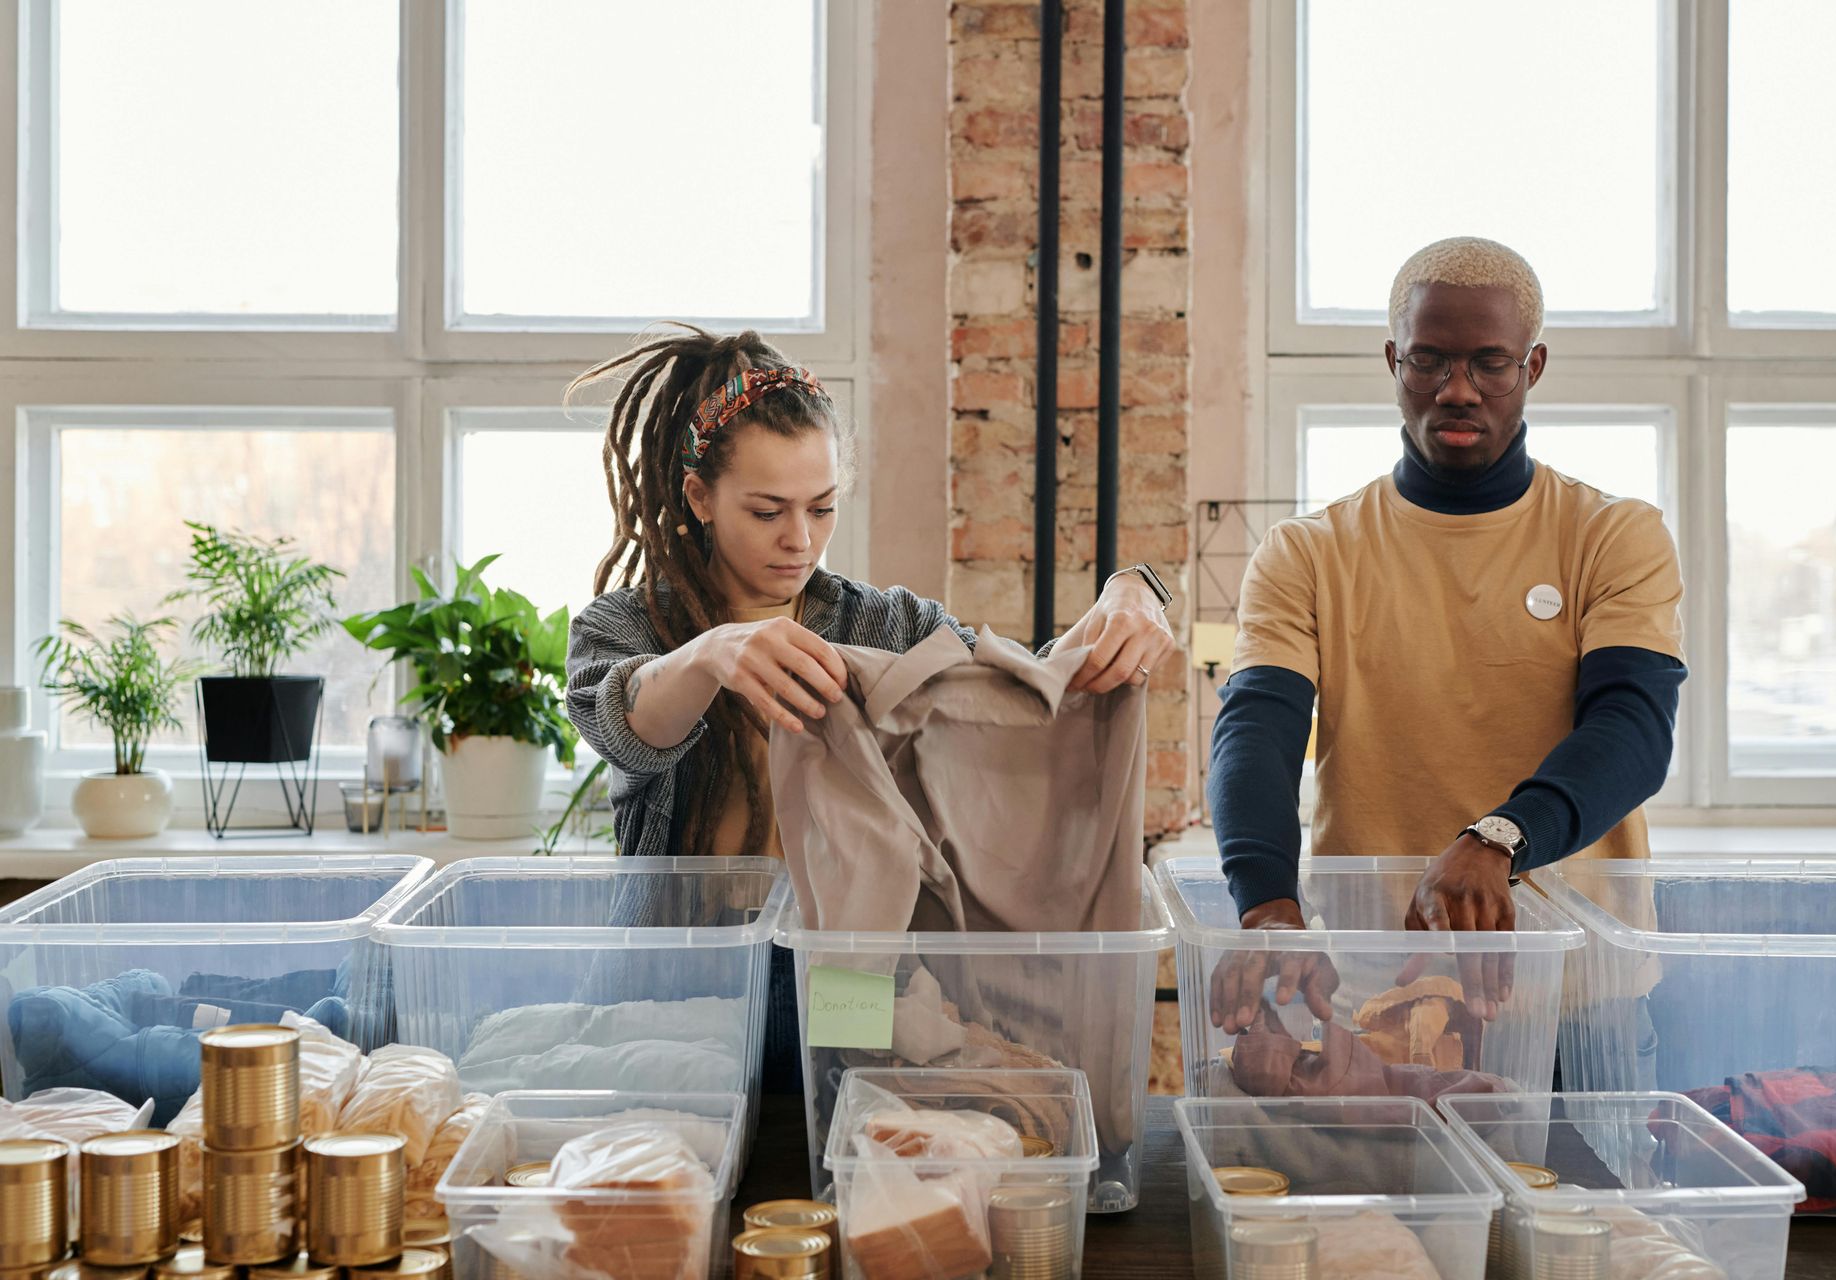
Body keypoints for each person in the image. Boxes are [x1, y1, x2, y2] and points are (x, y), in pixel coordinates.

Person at [564, 325, 1176, 1090]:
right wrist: (711, 654)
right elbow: (625, 727)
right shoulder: (624, 628)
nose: (801, 539)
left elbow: (1024, 695)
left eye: (822, 508)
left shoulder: (884, 625)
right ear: (700, 496)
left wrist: (1133, 590)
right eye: (766, 511)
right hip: (675, 989)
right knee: (679, 1183)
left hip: (850, 990)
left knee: (841, 1153)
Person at [1206, 237, 1686, 1034]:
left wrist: (1500, 838)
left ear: (1531, 368)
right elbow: (1256, 728)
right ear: (1395, 362)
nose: (1457, 390)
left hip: (1577, 998)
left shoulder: (1613, 535)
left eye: (1489, 364)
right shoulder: (1309, 552)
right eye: (1429, 361)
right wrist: (1267, 908)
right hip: (1372, 992)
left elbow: (1632, 728)